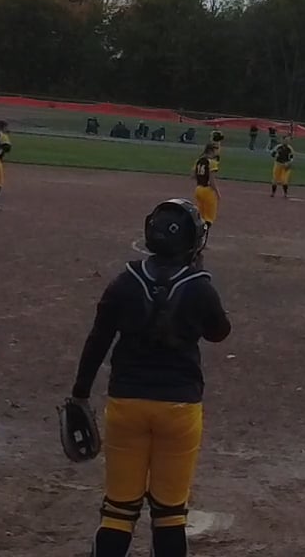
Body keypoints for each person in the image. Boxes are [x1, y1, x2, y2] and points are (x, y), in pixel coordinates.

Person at [68, 199, 230, 557]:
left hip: (126, 404)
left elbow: (98, 341)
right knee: (169, 513)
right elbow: (219, 332)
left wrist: (80, 393)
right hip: (179, 408)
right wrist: (198, 278)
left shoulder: (125, 282)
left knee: (118, 510)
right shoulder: (199, 286)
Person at [191, 144, 220, 230]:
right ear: (211, 151)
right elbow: (212, 181)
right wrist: (217, 192)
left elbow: (193, 176)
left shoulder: (198, 161)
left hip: (198, 189)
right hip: (207, 191)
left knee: (201, 215)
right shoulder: (212, 163)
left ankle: (198, 232)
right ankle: (204, 233)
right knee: (209, 218)